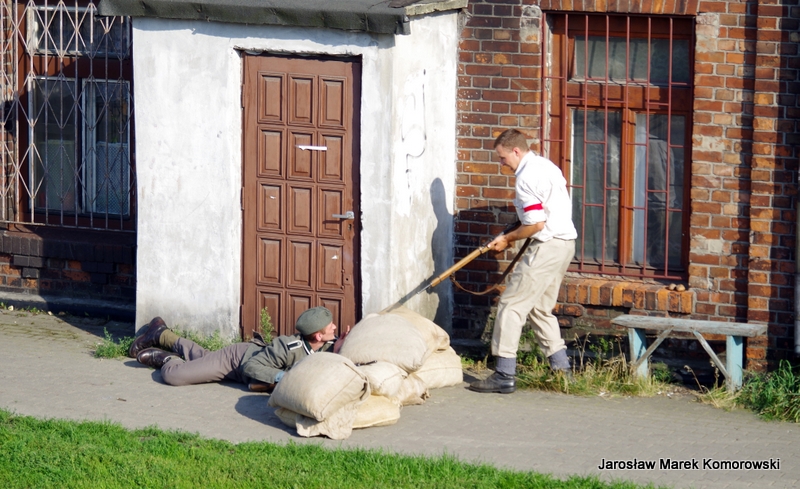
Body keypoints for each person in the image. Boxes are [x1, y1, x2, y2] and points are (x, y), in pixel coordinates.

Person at [469, 129, 577, 394]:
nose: (501, 163)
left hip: (547, 247)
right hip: (565, 245)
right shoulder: (545, 165)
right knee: (539, 308)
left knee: (511, 305)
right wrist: (510, 235)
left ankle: (504, 374)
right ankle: (562, 370)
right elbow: (539, 215)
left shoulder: (526, 177)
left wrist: (507, 239)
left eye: (503, 157)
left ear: (515, 151)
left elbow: (536, 224)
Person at [128, 306, 348, 391]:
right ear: (318, 336)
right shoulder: (287, 346)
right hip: (236, 360)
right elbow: (252, 366)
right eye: (331, 327)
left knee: (201, 358)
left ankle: (161, 333)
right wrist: (283, 377)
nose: (335, 328)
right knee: (175, 377)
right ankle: (168, 359)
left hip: (241, 369)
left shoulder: (330, 344)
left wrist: (342, 345)